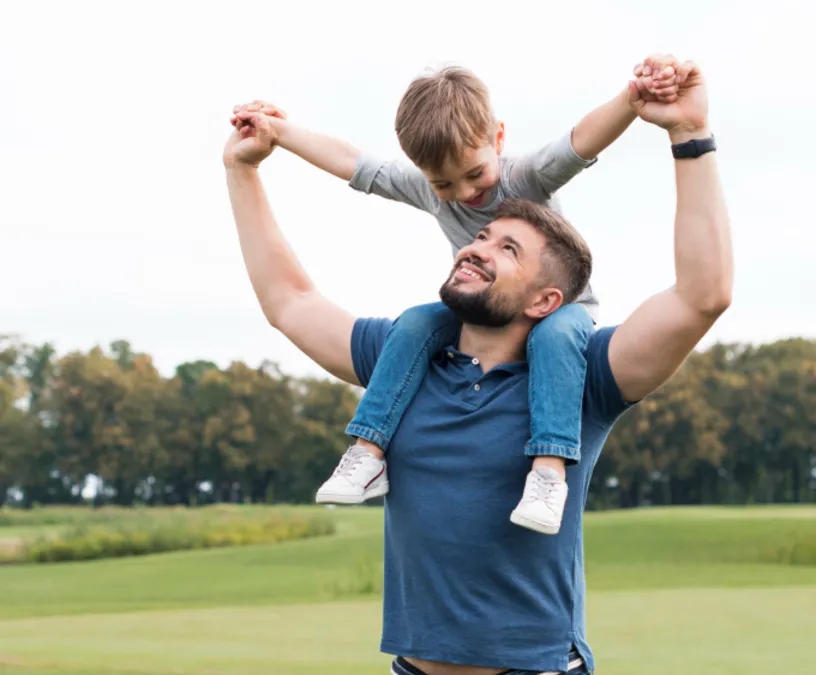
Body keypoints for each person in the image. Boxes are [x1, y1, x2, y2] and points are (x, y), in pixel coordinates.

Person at [223, 55, 729, 674]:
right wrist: (243, 169)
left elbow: (702, 295)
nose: (476, 240)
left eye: (508, 245)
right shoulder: (402, 361)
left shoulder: (583, 375)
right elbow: (289, 301)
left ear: (548, 299)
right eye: (479, 237)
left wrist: (688, 134)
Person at [229, 60, 682, 534]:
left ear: (498, 140)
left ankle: (548, 472)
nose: (463, 193)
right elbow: (354, 163)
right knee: (415, 323)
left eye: (473, 173)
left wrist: (631, 101)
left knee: (553, 338)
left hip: (561, 311)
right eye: (443, 183)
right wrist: (278, 132)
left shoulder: (523, 178)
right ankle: (368, 451)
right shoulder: (431, 192)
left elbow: (579, 142)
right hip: (478, 309)